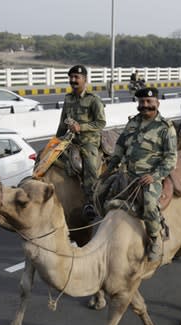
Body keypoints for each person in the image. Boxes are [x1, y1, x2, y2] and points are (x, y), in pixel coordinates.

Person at [104, 87, 177, 261]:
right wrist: (109, 169)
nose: (145, 105)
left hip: (149, 177)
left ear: (157, 103)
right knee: (103, 194)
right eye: (142, 102)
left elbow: (171, 158)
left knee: (149, 203)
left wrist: (155, 175)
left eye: (149, 102)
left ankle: (155, 240)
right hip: (128, 174)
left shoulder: (166, 127)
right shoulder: (132, 123)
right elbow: (120, 146)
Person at [55, 64, 106, 220]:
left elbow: (101, 122)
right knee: (48, 158)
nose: (73, 80)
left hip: (88, 141)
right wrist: (56, 140)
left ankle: (91, 201)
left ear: (85, 79)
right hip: (70, 140)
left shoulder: (93, 100)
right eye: (71, 77)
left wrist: (80, 127)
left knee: (89, 165)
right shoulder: (68, 98)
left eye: (77, 77)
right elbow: (62, 122)